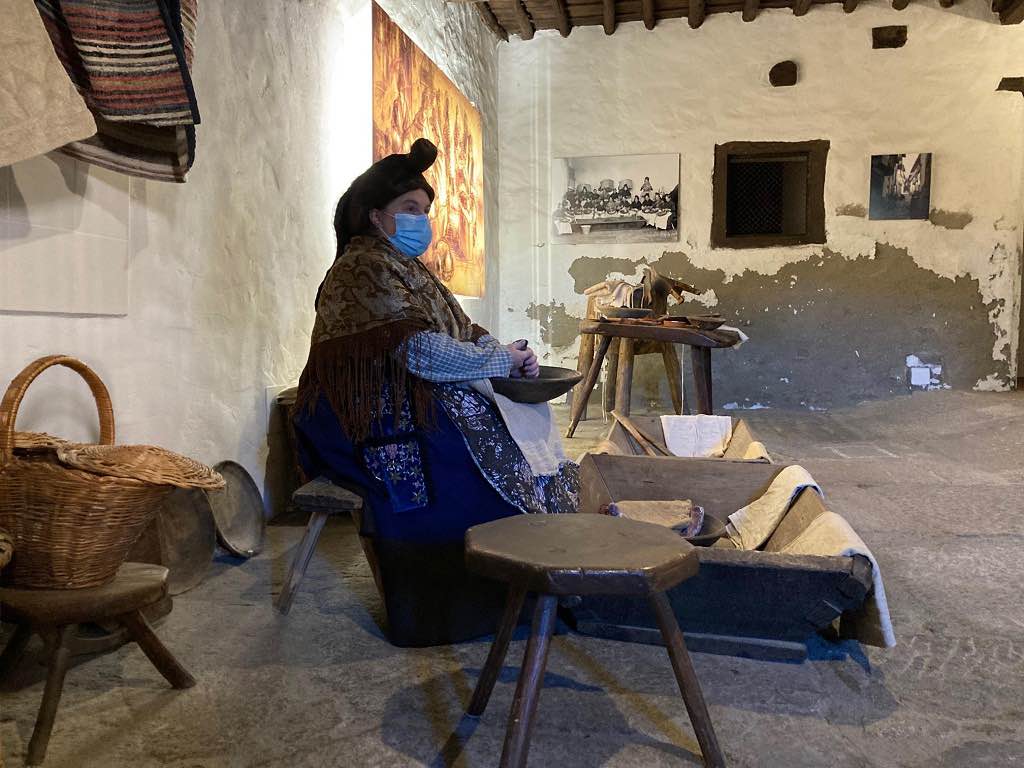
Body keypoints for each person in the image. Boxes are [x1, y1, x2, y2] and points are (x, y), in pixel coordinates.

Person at [294, 138, 578, 548]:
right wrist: (498, 361)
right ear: (376, 216)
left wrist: (511, 357)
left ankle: (537, 543)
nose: (421, 219)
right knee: (463, 441)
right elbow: (420, 351)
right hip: (357, 415)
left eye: (424, 211)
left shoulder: (408, 267)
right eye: (410, 209)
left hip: (401, 397)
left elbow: (462, 331)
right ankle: (481, 566)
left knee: (514, 411)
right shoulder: (363, 266)